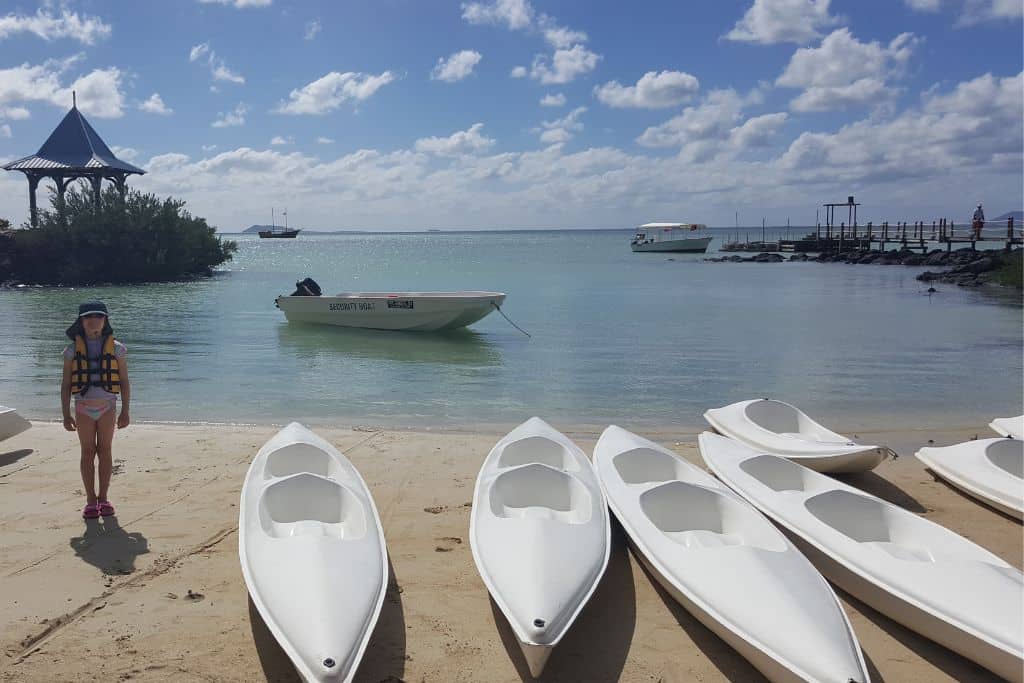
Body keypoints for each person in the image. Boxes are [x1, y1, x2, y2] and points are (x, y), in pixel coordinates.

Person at [61, 302, 131, 519]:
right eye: (89, 317)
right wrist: (65, 413)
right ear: (81, 322)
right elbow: (65, 385)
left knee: (105, 451)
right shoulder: (71, 351)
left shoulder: (117, 349)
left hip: (107, 407)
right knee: (88, 452)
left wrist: (125, 411)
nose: (94, 321)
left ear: (105, 320)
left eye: (99, 317)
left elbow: (125, 382)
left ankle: (104, 497)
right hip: (82, 408)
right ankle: (91, 500)